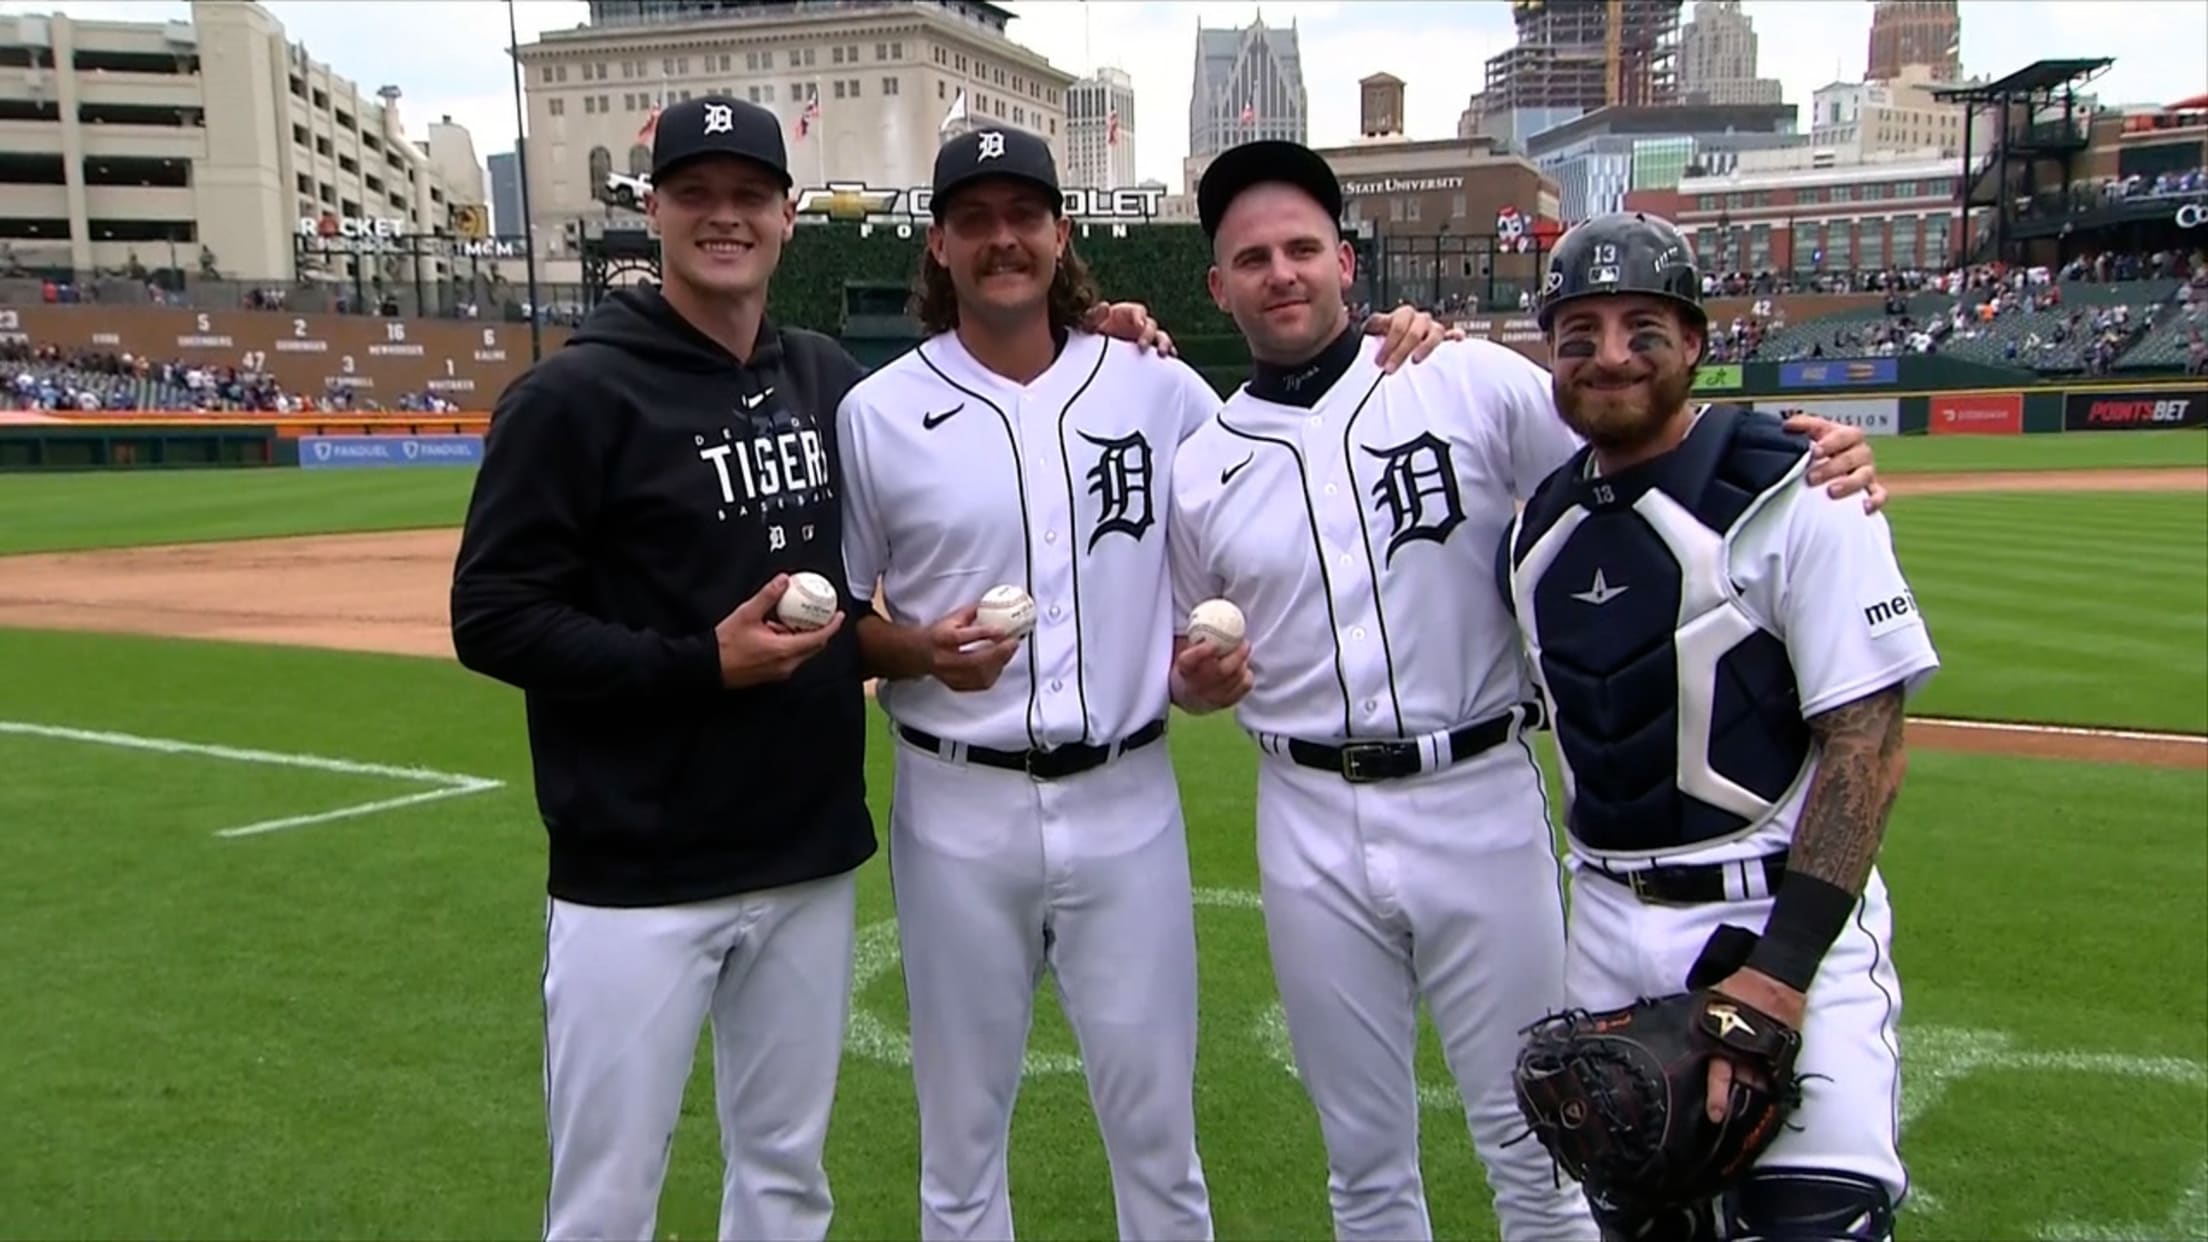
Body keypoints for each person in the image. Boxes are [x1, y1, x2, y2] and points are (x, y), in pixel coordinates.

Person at [449, 96, 1174, 1242]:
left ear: (790, 216)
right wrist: (700, 664)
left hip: (803, 855)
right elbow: (490, 616)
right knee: (605, 1197)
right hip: (637, 864)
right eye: (697, 196)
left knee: (786, 1179)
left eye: (750, 197)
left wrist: (1110, 328)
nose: (725, 218)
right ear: (656, 213)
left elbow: (873, 598)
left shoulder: (829, 383)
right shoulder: (574, 394)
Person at [1165, 141, 1885, 1242]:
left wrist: (1821, 462)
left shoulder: (1465, 379)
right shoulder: (1200, 459)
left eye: (1303, 248)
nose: (1282, 273)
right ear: (1219, 286)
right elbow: (1193, 666)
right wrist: (1202, 682)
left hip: (1478, 791)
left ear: (1345, 262)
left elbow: (1643, 441)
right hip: (1303, 812)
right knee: (1360, 1154)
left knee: (1546, 1142)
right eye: (1252, 258)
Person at [834, 125, 1454, 1242]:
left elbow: (1266, 516)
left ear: (1061, 232)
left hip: (1126, 802)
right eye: (974, 221)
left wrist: (1210, 671)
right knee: (960, 1150)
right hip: (955, 803)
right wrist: (921, 651)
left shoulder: (1159, 390)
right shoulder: (877, 412)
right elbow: (843, 619)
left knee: (1159, 1146)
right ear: (939, 245)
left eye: (1024, 216)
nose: (1002, 239)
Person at [1496, 211, 1936, 1242]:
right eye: (1579, 332)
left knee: (1811, 1221)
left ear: (1696, 342)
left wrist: (1779, 977)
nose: (1610, 355)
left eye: (1643, 328)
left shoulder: (1799, 488)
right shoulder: (1534, 531)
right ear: (1548, 354)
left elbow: (1867, 747)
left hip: (1781, 922)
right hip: (1608, 929)